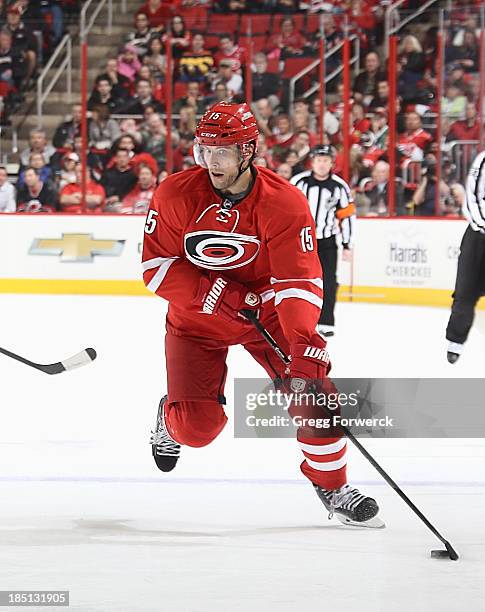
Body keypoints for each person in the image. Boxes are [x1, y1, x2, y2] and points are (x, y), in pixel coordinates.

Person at [143, 102, 382, 527]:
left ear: (248, 152)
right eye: (204, 150)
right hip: (195, 321)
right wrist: (216, 293)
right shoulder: (175, 194)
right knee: (198, 430)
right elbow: (154, 268)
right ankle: (169, 416)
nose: (211, 162)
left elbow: (299, 280)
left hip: (266, 316)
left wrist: (304, 342)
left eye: (222, 151)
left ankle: (332, 484)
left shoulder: (284, 202)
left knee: (314, 396)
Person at [291, 145, 355, 338]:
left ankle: (326, 321)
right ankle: (297, 319)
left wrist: (347, 244)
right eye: (319, 160)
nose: (322, 164)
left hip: (327, 241)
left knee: (328, 281)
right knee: (297, 280)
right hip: (301, 240)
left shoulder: (339, 186)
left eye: (326, 160)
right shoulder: (299, 182)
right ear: (312, 162)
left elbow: (348, 216)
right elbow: (285, 209)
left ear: (331, 163)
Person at [446, 149, 485, 363]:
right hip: (478, 237)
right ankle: (455, 341)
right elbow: (471, 197)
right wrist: (482, 224)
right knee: (465, 290)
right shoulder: (483, 160)